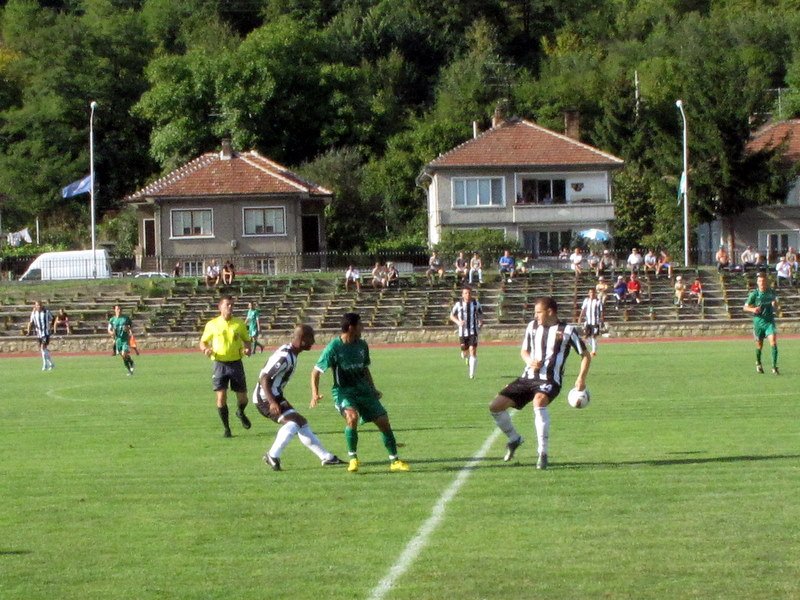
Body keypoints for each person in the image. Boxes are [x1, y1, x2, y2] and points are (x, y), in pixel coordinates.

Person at [489, 297, 591, 470]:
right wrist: (529, 360)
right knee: (495, 406)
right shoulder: (532, 326)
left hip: (550, 380)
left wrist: (581, 378)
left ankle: (542, 453)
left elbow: (585, 355)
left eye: (538, 312)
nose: (535, 316)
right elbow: (524, 351)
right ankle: (514, 439)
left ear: (550, 311)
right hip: (527, 378)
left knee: (539, 402)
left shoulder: (567, 330)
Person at [311, 312, 409, 473]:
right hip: (344, 392)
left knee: (384, 421)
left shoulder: (362, 345)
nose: (363, 328)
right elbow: (315, 372)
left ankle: (394, 461)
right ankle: (353, 459)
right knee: (352, 417)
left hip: (363, 390)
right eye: (360, 325)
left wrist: (373, 388)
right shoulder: (333, 348)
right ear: (351, 327)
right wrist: (315, 393)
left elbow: (364, 369)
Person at [255, 325, 345, 471]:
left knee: (301, 422)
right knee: (293, 423)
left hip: (275, 395)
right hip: (265, 398)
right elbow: (264, 378)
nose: (313, 341)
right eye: (311, 338)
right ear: (302, 339)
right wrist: (272, 402)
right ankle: (272, 455)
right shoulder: (285, 356)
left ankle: (327, 458)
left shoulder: (291, 352)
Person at [199, 295, 253, 437]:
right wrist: (206, 349)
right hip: (220, 364)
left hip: (236, 363)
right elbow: (203, 342)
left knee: (243, 398)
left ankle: (240, 411)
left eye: (232, 305)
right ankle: (227, 429)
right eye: (227, 305)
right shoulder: (212, 324)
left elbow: (247, 340)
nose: (230, 307)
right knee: (221, 397)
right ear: (220, 307)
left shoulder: (239, 324)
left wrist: (247, 349)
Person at [743, 273, 780, 375]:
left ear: (766, 282)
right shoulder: (754, 294)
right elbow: (745, 307)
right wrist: (753, 309)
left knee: (773, 342)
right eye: (760, 281)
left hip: (769, 322)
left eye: (763, 281)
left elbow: (776, 305)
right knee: (759, 345)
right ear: (757, 282)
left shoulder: (771, 292)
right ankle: (758, 363)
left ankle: (774, 367)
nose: (762, 283)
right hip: (758, 323)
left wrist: (775, 305)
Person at [449, 285, 483, 379]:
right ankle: (465, 356)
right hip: (462, 332)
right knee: (465, 352)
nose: (468, 295)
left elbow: (480, 314)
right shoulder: (458, 304)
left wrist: (480, 322)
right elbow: (451, 316)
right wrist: (458, 322)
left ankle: (471, 374)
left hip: (473, 331)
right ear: (462, 294)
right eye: (465, 293)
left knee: (473, 350)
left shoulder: (476, 303)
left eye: (469, 293)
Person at [108, 304, 135, 375]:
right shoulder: (112, 320)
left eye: (120, 309)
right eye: (117, 309)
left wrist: (128, 329)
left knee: (124, 353)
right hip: (118, 340)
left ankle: (131, 364)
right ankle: (130, 368)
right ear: (115, 310)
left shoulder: (125, 318)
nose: (119, 311)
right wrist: (111, 333)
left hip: (125, 339)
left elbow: (131, 326)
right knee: (123, 357)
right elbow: (109, 329)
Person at [27, 300, 54, 371]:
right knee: (43, 349)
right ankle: (51, 364)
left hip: (45, 333)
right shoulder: (33, 313)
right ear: (35, 306)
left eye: (39, 305)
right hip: (38, 333)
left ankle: (45, 365)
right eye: (37, 305)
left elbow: (52, 319)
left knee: (42, 348)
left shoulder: (46, 312)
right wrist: (28, 331)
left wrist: (50, 327)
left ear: (42, 305)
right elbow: (31, 322)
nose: (38, 306)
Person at [579, 288, 603, 356]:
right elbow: (583, 309)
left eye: (593, 292)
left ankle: (593, 351)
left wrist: (602, 319)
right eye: (590, 292)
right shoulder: (586, 300)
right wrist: (580, 318)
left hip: (595, 322)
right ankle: (594, 346)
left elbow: (601, 311)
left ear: (595, 293)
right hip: (588, 322)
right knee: (586, 337)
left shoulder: (598, 301)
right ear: (588, 293)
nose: (592, 294)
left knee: (593, 336)